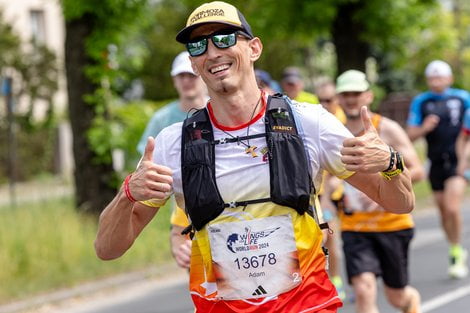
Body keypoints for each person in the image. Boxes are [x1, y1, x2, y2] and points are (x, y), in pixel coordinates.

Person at [94, 2, 414, 312]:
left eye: (225, 38)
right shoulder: (172, 144)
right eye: (198, 46)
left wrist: (390, 163)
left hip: (306, 305)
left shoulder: (310, 123)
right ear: (192, 63)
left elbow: (400, 203)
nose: (213, 52)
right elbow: (108, 249)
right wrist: (127, 194)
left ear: (254, 48)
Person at [335, 70, 424, 313]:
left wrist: (383, 189)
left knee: (397, 297)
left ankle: (411, 303)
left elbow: (417, 170)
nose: (351, 99)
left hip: (393, 224)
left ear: (369, 96)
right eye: (346, 94)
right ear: (338, 99)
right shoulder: (334, 133)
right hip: (355, 227)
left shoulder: (388, 129)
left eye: (356, 93)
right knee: (364, 290)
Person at [137, 51, 207, 269]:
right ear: (174, 80)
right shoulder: (162, 120)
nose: (186, 81)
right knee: (199, 274)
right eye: (181, 76)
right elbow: (144, 164)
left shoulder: (218, 110)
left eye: (191, 75)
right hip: (183, 213)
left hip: (222, 203)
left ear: (201, 75)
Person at [406, 60, 470, 279]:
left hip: (458, 162)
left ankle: (456, 253)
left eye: (440, 77)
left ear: (449, 78)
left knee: (452, 207)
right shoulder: (421, 102)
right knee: (443, 211)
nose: (436, 81)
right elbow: (409, 135)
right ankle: (455, 247)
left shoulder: (462, 98)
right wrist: (424, 128)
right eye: (432, 78)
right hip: (435, 162)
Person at [315, 79, 347, 300]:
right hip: (316, 194)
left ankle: (336, 281)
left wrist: (329, 192)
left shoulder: (340, 121)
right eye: (321, 100)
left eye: (329, 100)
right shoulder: (315, 119)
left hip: (332, 195)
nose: (325, 104)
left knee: (331, 239)